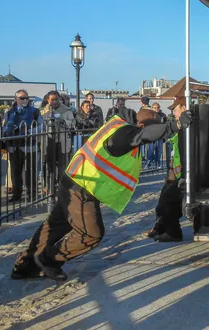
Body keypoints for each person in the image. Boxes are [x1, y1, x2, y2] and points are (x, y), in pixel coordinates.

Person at [11, 106, 193, 281]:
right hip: (82, 188)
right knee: (91, 233)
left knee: (56, 225)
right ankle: (47, 260)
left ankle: (24, 266)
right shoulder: (124, 134)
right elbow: (144, 136)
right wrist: (174, 126)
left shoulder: (119, 124)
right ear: (142, 127)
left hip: (76, 180)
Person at [146, 97, 188, 242]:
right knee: (165, 196)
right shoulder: (181, 125)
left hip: (182, 171)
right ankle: (161, 225)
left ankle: (172, 231)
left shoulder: (187, 124)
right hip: (176, 169)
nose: (175, 114)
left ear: (184, 108)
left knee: (169, 197)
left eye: (176, 110)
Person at [3, 90, 42, 201]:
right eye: (22, 98)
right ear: (16, 99)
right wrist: (9, 131)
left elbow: (42, 126)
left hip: (30, 145)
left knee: (30, 171)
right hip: (14, 146)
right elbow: (4, 127)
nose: (25, 100)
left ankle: (32, 195)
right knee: (15, 172)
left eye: (26, 98)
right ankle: (16, 195)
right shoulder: (10, 112)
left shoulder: (35, 111)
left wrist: (29, 132)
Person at [41, 91, 75, 188]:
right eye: (52, 100)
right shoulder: (43, 111)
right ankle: (49, 186)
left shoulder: (67, 110)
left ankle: (62, 187)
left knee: (62, 166)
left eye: (56, 99)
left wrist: (63, 121)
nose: (55, 102)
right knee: (49, 166)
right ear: (48, 100)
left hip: (63, 142)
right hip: (49, 142)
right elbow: (39, 125)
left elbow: (73, 123)